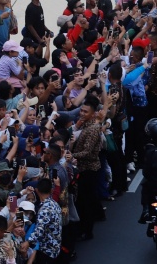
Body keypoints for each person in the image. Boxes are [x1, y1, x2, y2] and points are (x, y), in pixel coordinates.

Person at [70, 96, 103, 241]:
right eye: (81, 111)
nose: (82, 113)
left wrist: (70, 156)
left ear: (93, 114)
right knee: (83, 201)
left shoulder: (93, 129)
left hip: (89, 170)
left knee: (86, 202)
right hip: (83, 169)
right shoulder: (84, 125)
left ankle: (87, 231)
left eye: (85, 112)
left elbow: (88, 152)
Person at [27, 178, 62, 263]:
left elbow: (39, 230)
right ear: (51, 190)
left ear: (37, 190)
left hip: (47, 250)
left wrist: (28, 242)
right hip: (55, 247)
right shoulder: (55, 204)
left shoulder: (45, 209)